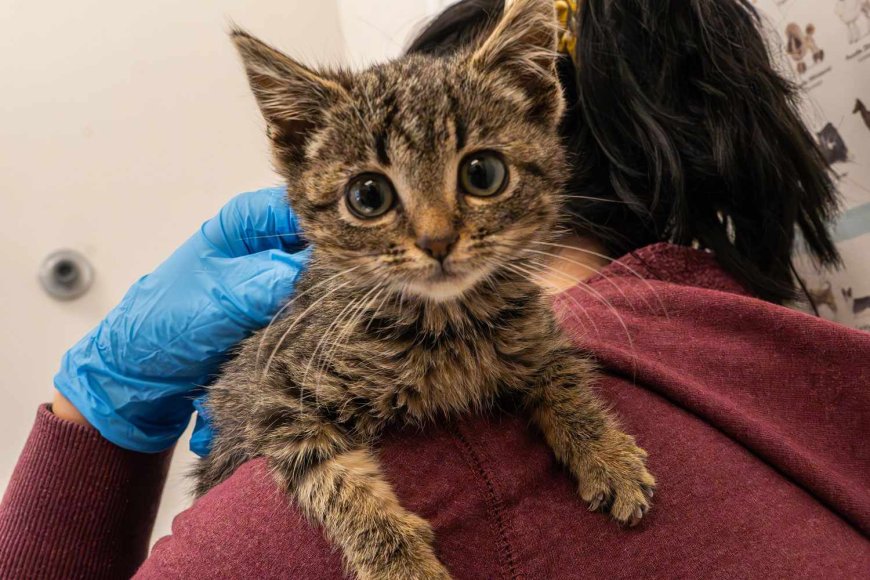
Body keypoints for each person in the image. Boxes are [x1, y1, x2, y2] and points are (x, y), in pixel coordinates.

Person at [1, 1, 868, 578]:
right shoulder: (809, 372)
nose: (437, 234)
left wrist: (89, 419)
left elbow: (539, 360)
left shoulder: (289, 542)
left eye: (477, 175)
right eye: (373, 197)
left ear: (545, 113)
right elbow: (286, 416)